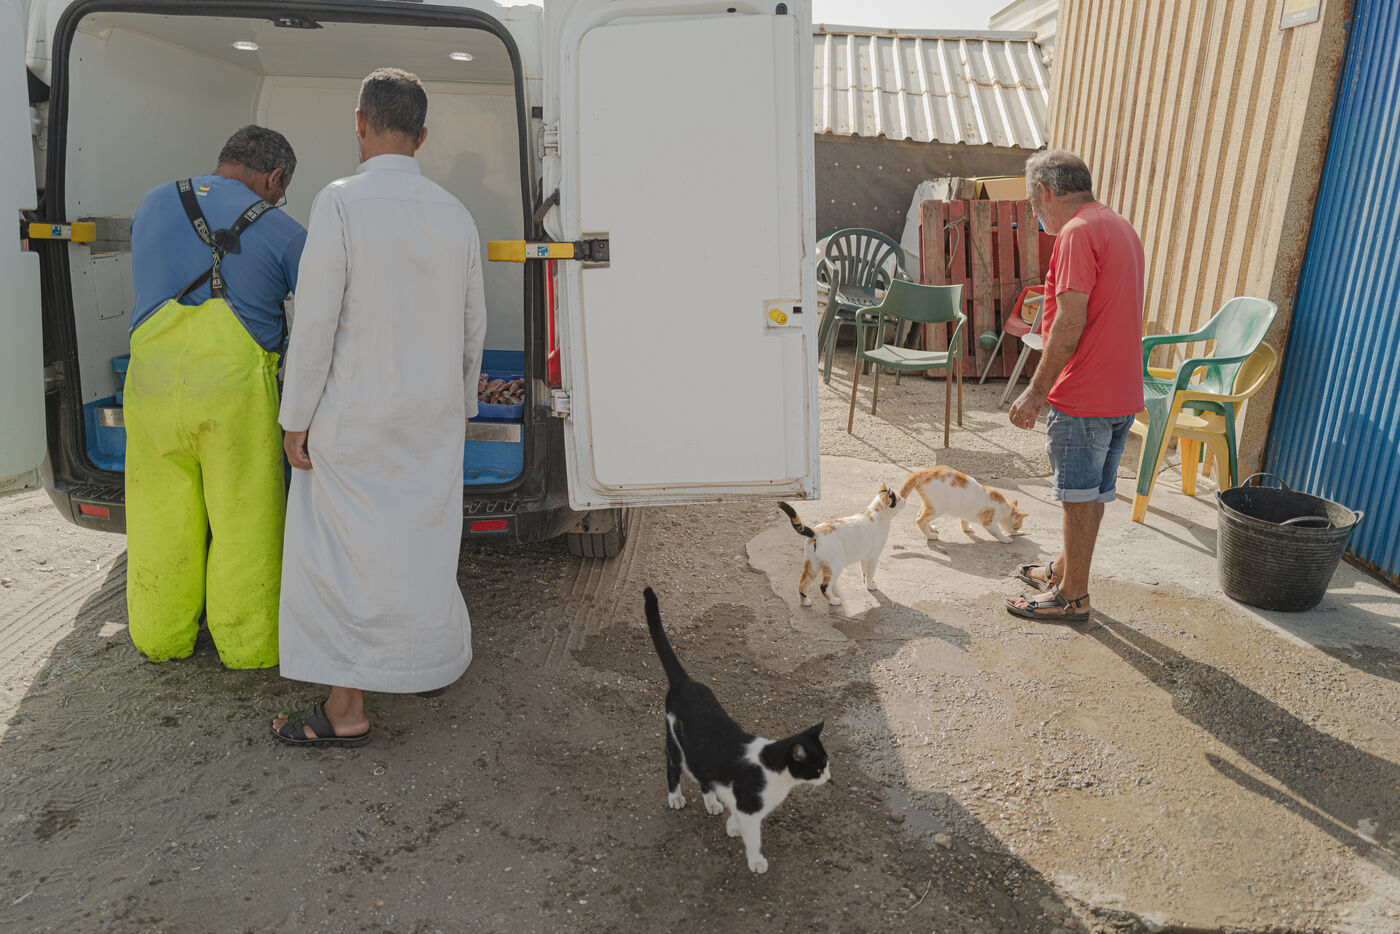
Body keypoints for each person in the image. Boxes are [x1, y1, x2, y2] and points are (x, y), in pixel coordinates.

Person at [271, 68, 488, 747]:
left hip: (353, 414)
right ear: (422, 136)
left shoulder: (339, 202)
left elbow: (315, 323)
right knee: (422, 546)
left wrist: (295, 417)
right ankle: (425, 666)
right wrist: (463, 405)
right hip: (431, 414)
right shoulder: (455, 214)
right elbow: (473, 325)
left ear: (360, 124)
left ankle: (347, 710)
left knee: (343, 560)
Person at [124, 126, 306, 668]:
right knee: (244, 522)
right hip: (233, 396)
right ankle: (248, 648)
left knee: (158, 516)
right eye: (280, 190)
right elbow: (319, 314)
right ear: (274, 177)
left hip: (151, 388)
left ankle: (160, 638)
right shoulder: (284, 230)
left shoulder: (152, 202)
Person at [1005, 149, 1145, 622]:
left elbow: (1069, 320)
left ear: (1044, 192)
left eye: (1032, 202)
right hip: (1120, 391)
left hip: (1084, 392)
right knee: (1093, 493)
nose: (1035, 212)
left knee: (1077, 497)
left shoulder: (1076, 232)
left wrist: (1035, 392)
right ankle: (1064, 570)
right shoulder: (1118, 226)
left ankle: (1072, 597)